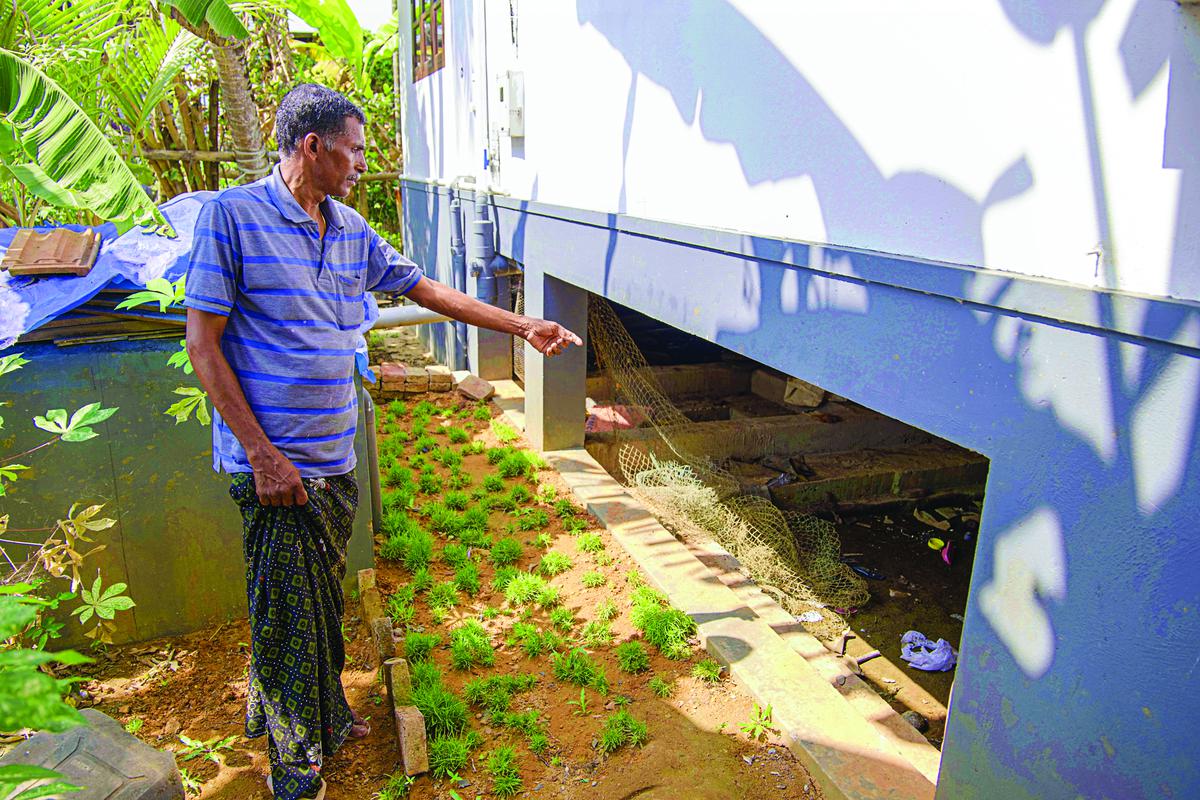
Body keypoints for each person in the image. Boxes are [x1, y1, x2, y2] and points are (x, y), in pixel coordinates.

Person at [184, 83, 580, 800]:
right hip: (270, 463)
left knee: (318, 597)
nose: (364, 163)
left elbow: (423, 288)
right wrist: (262, 455)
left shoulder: (349, 228)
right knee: (285, 611)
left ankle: (327, 714)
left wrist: (523, 326)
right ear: (313, 147)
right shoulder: (231, 218)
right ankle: (294, 764)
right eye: (356, 149)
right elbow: (203, 347)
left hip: (333, 454)